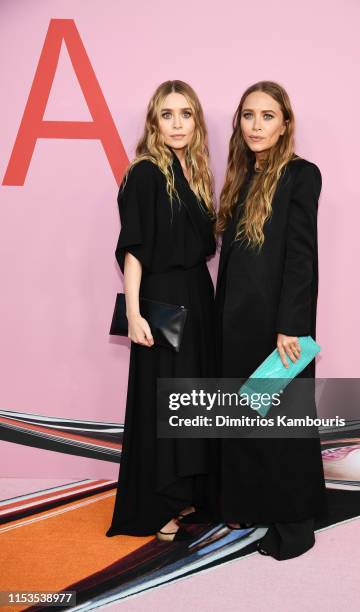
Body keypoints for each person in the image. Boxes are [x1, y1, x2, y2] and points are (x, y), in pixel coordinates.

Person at [214, 81, 328, 560]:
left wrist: (292, 326)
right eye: (248, 115)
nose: (256, 125)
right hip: (235, 321)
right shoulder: (241, 176)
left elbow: (301, 257)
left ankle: (295, 525)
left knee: (283, 424)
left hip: (278, 326)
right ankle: (255, 504)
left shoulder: (302, 175)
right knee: (246, 418)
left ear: (285, 125)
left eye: (267, 116)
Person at [105, 80, 217, 542]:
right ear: (154, 121)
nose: (177, 123)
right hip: (163, 302)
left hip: (197, 297)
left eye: (185, 114)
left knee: (189, 399)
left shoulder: (192, 172)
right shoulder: (146, 172)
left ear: (196, 122)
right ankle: (157, 506)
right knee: (163, 400)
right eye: (167, 114)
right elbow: (135, 251)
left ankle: (185, 490)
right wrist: (134, 314)